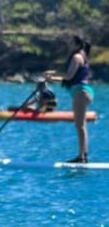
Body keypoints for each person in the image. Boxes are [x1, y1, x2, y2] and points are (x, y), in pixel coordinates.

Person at [45, 35, 94, 163]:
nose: (69, 45)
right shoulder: (81, 55)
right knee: (81, 125)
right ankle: (83, 154)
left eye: (71, 42)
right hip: (82, 92)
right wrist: (52, 78)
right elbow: (69, 78)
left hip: (81, 92)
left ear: (77, 44)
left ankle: (81, 157)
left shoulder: (77, 56)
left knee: (80, 125)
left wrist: (53, 73)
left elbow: (68, 76)